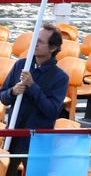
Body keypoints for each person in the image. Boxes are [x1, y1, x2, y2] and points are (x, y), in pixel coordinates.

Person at [0, 23, 69, 176]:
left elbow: (51, 112)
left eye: (40, 42)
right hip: (13, 133)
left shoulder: (60, 78)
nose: (34, 44)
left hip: (38, 140)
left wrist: (32, 86)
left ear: (53, 48)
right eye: (34, 40)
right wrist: (12, 92)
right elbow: (3, 96)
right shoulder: (21, 65)